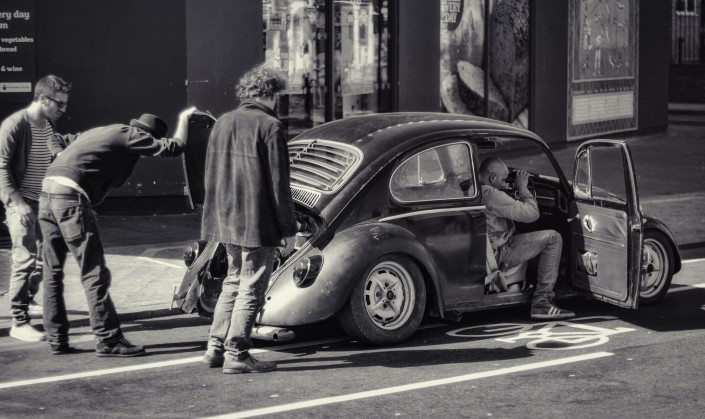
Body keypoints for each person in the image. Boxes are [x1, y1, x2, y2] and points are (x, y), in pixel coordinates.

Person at [38, 106, 197, 356]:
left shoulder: (103, 133)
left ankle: (57, 339)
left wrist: (59, 156)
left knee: (52, 272)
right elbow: (174, 148)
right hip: (70, 199)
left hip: (48, 194)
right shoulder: (129, 135)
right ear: (146, 136)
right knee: (94, 274)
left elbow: (56, 138)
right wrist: (184, 119)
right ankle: (108, 339)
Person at [200, 64, 297, 374]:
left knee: (233, 280)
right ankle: (237, 353)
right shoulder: (271, 126)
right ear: (271, 93)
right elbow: (279, 185)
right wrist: (289, 229)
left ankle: (215, 348)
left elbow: (211, 175)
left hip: (225, 217)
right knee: (252, 286)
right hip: (256, 221)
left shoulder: (223, 122)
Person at [0, 75, 72, 342]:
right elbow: (1, 168)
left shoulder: (49, 124)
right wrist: (18, 204)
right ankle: (18, 321)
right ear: (43, 99)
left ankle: (28, 299)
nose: (63, 109)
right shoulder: (15, 125)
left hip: (45, 201)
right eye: (60, 103)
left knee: (46, 258)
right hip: (21, 202)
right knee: (24, 259)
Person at [479, 157, 575, 320]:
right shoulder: (490, 194)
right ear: (492, 178)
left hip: (488, 249)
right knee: (553, 238)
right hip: (500, 253)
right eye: (503, 180)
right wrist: (523, 189)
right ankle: (542, 302)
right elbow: (532, 214)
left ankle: (534, 284)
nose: (504, 184)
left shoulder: (473, 187)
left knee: (528, 234)